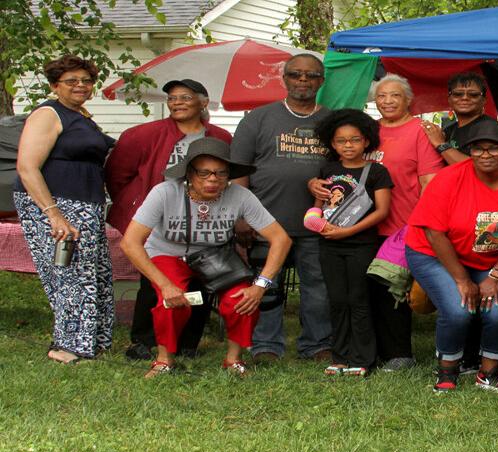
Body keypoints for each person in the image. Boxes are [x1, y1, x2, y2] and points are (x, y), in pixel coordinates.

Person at [119, 138, 292, 377]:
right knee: (169, 302)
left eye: (221, 174)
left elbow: (281, 239)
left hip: (215, 257)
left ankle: (234, 360)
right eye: (204, 173)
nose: (213, 180)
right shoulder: (165, 192)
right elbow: (130, 243)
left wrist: (260, 285)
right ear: (189, 173)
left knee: (242, 300)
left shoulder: (240, 195)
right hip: (168, 254)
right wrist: (165, 285)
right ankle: (163, 360)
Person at [310, 74, 444, 371]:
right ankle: (366, 351)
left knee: (391, 290)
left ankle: (398, 353)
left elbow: (430, 183)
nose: (387, 101)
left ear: (408, 99)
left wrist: (421, 225)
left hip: (400, 225)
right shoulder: (366, 130)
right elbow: (337, 173)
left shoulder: (419, 130)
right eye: (381, 96)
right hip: (360, 229)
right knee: (362, 292)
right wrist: (313, 184)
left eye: (395, 95)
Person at [404, 121, 498, 392]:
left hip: (492, 259)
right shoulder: (449, 178)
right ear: (469, 151)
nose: (485, 154)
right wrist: (462, 280)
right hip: (435, 253)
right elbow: (434, 234)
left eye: (494, 148)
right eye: (478, 149)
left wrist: (497, 274)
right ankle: (447, 370)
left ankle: (489, 373)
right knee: (458, 309)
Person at [105, 78, 231, 361]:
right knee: (154, 281)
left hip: (203, 218)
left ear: (203, 102)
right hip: (158, 218)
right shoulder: (142, 135)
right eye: (172, 98)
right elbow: (117, 174)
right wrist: (135, 205)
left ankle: (188, 342)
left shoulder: (220, 138)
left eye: (185, 97)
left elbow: (228, 176)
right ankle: (144, 340)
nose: (176, 102)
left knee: (200, 278)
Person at [13, 54, 115, 364]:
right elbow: (27, 167)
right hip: (56, 203)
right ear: (56, 85)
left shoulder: (80, 116)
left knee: (94, 272)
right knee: (70, 273)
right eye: (72, 81)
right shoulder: (48, 114)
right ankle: (67, 347)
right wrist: (53, 214)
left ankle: (93, 341)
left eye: (86, 80)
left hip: (86, 205)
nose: (80, 85)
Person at [231, 53, 332, 364]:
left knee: (317, 288)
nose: (303, 80)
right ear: (284, 78)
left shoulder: (331, 121)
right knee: (267, 286)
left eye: (311, 75)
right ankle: (266, 345)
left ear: (321, 81)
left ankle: (317, 344)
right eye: (296, 74)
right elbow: (237, 171)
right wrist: (242, 216)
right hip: (265, 222)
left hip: (317, 223)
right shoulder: (257, 119)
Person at [309, 109, 394, 376]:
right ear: (332, 144)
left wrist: (348, 232)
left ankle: (363, 358)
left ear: (366, 141)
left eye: (354, 140)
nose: (348, 145)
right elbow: (318, 206)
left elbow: (382, 211)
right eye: (341, 141)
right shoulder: (327, 169)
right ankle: (340, 356)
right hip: (329, 244)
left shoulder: (377, 171)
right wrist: (318, 223)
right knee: (337, 300)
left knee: (359, 299)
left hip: (362, 244)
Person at [420, 72, 498, 166]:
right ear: (449, 99)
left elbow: (479, 167)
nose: (465, 98)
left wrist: (440, 144)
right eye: (458, 94)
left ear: (483, 100)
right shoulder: (449, 130)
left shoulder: (492, 129)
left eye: (473, 94)